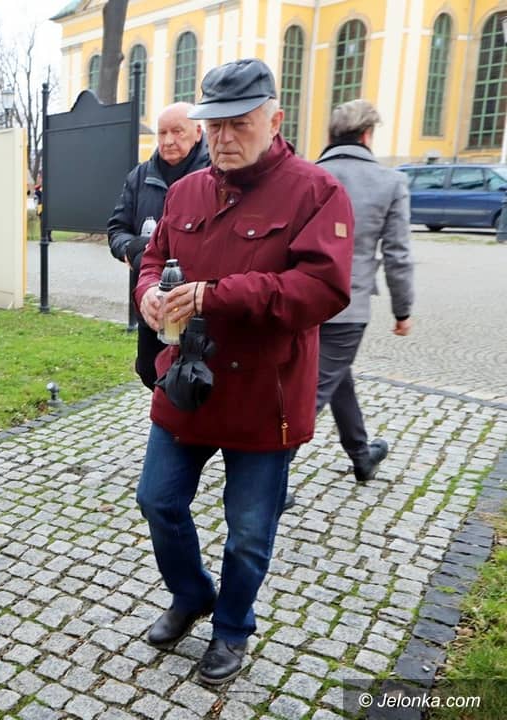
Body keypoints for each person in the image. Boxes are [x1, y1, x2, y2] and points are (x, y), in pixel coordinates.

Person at [133, 58, 354, 684]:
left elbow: (322, 289)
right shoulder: (186, 191)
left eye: (239, 124)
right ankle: (192, 594)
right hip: (187, 381)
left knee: (249, 531)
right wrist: (148, 294)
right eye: (214, 125)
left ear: (275, 120)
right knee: (157, 500)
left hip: (265, 390)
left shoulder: (316, 191)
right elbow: (154, 259)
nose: (223, 138)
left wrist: (215, 295)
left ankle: (232, 628)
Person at [283, 99, 414, 509]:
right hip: (347, 306)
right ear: (367, 134)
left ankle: (361, 455)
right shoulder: (390, 182)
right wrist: (403, 310)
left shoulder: (306, 174)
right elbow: (397, 253)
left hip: (300, 300)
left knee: (336, 377)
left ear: (332, 134)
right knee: (313, 393)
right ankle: (268, 482)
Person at [107, 102, 210, 387]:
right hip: (152, 301)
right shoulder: (140, 176)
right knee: (150, 371)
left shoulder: (215, 174)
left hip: (198, 307)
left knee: (196, 379)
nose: (168, 140)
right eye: (162, 133)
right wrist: (133, 250)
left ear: (198, 132)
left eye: (177, 131)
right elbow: (116, 229)